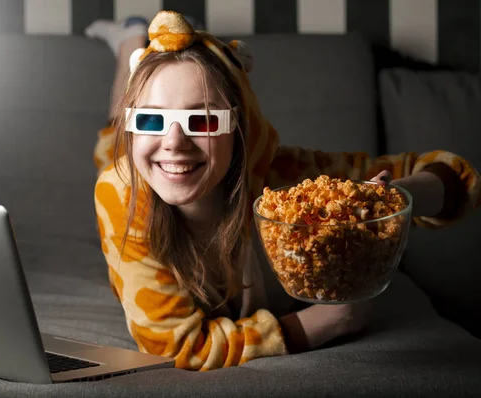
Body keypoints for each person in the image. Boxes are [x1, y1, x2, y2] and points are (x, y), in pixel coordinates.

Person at [88, 11, 481, 371]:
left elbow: (451, 174)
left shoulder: (289, 180)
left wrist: (384, 199)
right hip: (127, 167)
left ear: (242, 132)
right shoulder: (120, 195)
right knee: (111, 140)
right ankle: (130, 44)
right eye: (151, 118)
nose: (174, 141)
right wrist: (318, 324)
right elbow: (178, 347)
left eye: (202, 120)